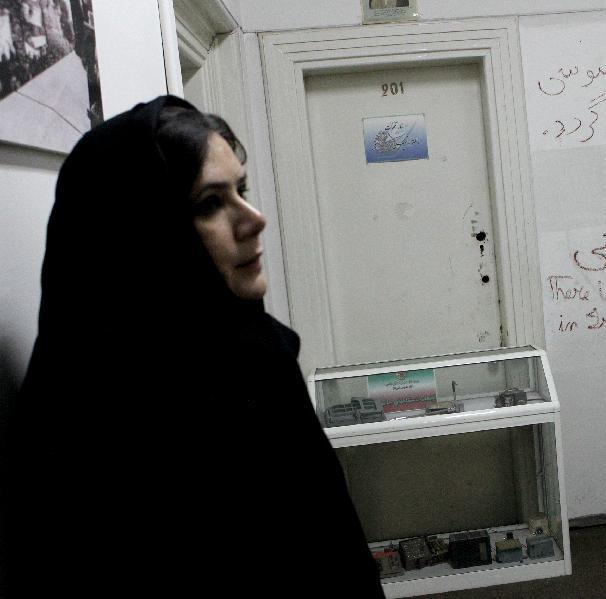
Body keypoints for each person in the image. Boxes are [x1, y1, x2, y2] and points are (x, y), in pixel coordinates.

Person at [3, 96, 385, 597]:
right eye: (210, 204)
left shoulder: (257, 353)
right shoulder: (90, 425)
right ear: (142, 234)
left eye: (242, 190)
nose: (254, 219)